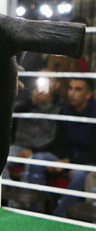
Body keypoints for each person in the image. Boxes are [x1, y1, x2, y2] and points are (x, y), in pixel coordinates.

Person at [28, 78, 96, 217]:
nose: (72, 93)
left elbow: (94, 153)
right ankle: (35, 211)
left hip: (86, 162)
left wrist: (70, 162)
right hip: (66, 158)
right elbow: (58, 142)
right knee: (39, 159)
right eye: (70, 88)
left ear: (88, 94)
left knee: (79, 175)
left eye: (78, 89)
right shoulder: (65, 109)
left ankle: (58, 216)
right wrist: (62, 161)